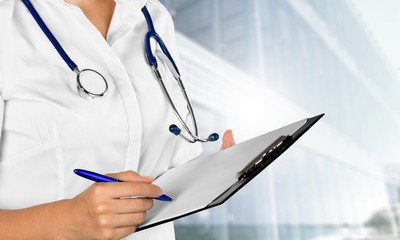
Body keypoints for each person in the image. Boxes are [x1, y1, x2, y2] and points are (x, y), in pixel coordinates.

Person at [0, 0, 235, 239]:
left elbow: (167, 165)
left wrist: (217, 172)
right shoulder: (7, 20)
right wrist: (67, 220)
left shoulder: (152, 16)